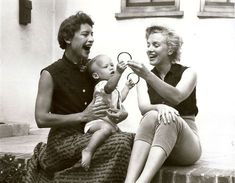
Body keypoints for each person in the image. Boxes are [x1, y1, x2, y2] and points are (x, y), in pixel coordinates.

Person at [24, 12, 134, 183]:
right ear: (68, 38)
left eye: (92, 34)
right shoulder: (50, 74)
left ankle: (65, 177)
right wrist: (83, 116)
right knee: (120, 143)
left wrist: (120, 112)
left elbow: (110, 94)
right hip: (62, 141)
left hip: (90, 134)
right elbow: (41, 119)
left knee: (130, 140)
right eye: (85, 34)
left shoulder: (93, 70)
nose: (91, 39)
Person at [125, 25, 202, 183]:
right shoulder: (143, 77)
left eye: (156, 45)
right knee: (152, 114)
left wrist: (147, 75)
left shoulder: (188, 73)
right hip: (158, 144)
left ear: (170, 49)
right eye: (148, 44)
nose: (149, 49)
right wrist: (159, 107)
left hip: (186, 147)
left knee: (170, 117)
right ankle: (129, 181)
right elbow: (144, 107)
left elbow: (177, 97)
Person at [81, 54, 135, 170]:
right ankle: (88, 150)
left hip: (108, 123)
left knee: (121, 133)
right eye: (106, 66)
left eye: (112, 65)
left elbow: (120, 99)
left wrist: (127, 87)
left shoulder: (114, 90)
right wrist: (119, 73)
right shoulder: (101, 85)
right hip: (96, 122)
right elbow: (108, 88)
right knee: (106, 128)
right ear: (96, 75)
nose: (111, 67)